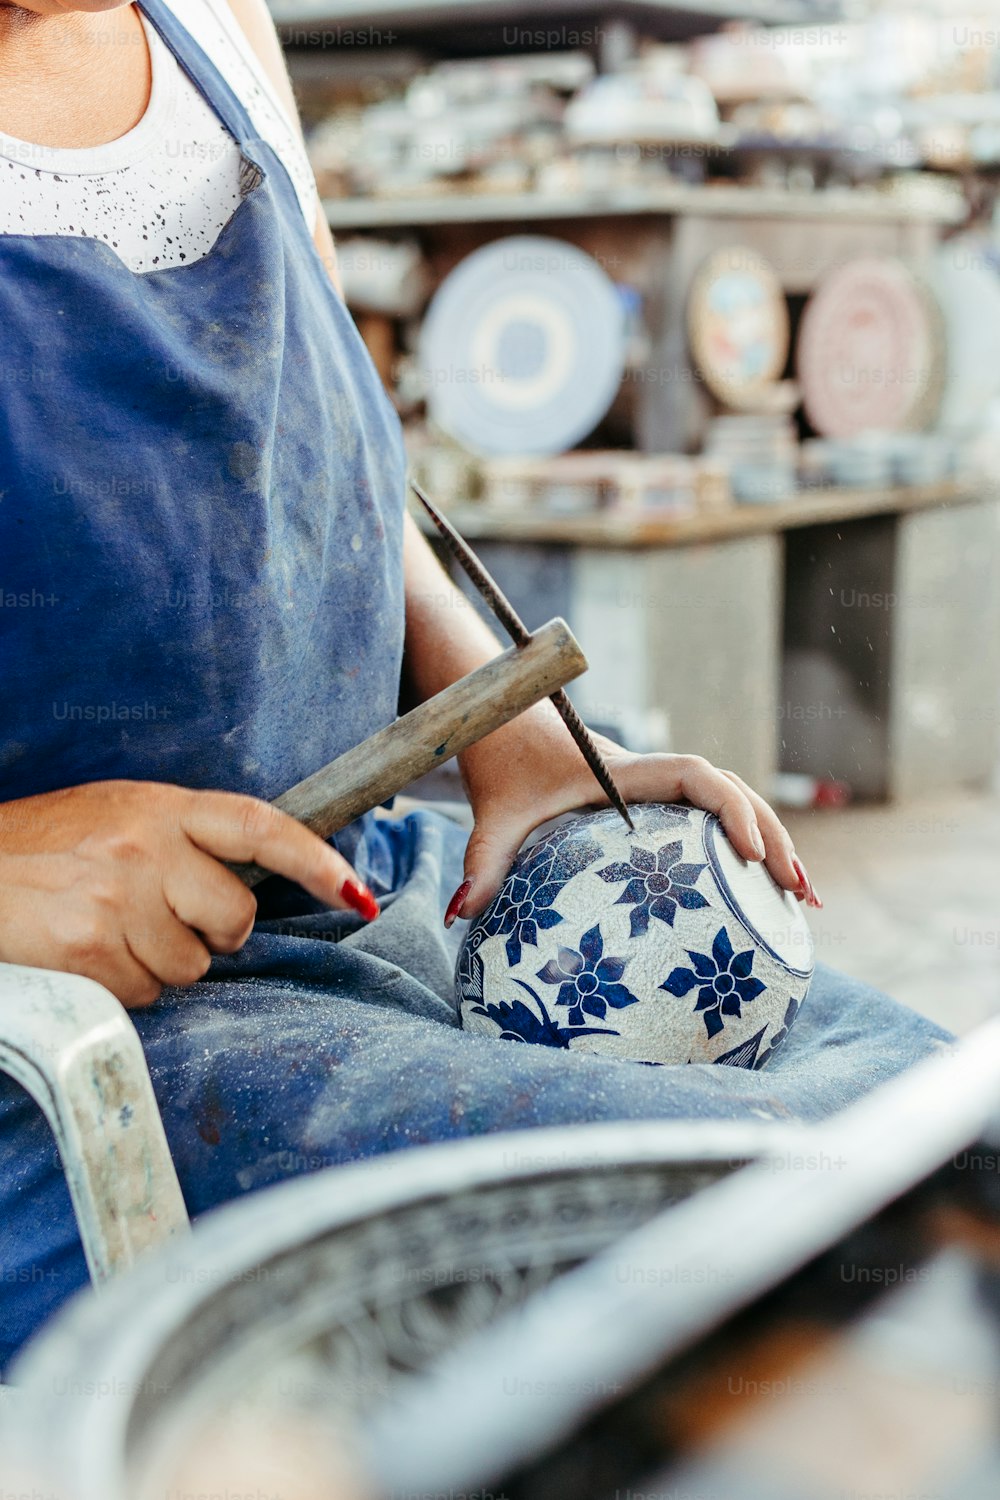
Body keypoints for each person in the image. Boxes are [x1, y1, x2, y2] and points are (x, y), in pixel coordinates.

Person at [0, 0, 950, 1370]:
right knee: (749, 1235)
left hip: (347, 894)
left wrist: (507, 729)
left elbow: (320, 476)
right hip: (71, 1033)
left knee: (917, 1128)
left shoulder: (215, 27)